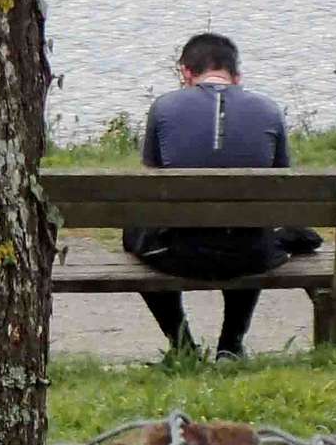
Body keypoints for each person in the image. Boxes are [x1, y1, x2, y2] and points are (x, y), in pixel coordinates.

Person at [125, 32, 292, 361]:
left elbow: (151, 182)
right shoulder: (270, 110)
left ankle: (183, 344)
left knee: (135, 233)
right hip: (251, 254)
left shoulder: (163, 108)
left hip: (179, 252)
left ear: (186, 72)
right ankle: (230, 345)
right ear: (237, 76)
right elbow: (282, 179)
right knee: (255, 224)